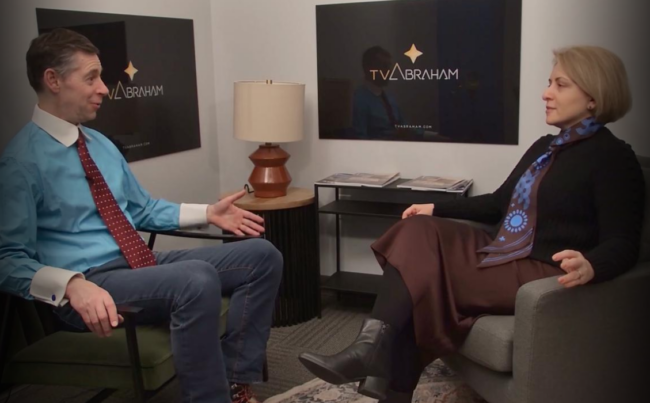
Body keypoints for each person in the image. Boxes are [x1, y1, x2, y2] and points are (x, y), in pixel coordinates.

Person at [299, 45, 645, 402]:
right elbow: (498, 203)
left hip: (541, 268)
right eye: (549, 83)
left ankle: (385, 376)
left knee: (419, 276)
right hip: (502, 249)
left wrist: (592, 265)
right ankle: (372, 350)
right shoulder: (544, 147)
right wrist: (435, 207)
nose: (546, 93)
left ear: (593, 97)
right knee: (415, 231)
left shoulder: (614, 158)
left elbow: (624, 242)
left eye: (560, 85)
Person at [0, 28, 283, 403]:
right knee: (195, 279)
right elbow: (7, 259)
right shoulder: (20, 162)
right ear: (53, 80)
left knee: (262, 256)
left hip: (137, 265)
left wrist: (209, 213)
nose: (104, 88)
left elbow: (141, 209)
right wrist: (70, 285)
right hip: (90, 284)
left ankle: (235, 384)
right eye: (91, 78)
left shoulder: (99, 144)